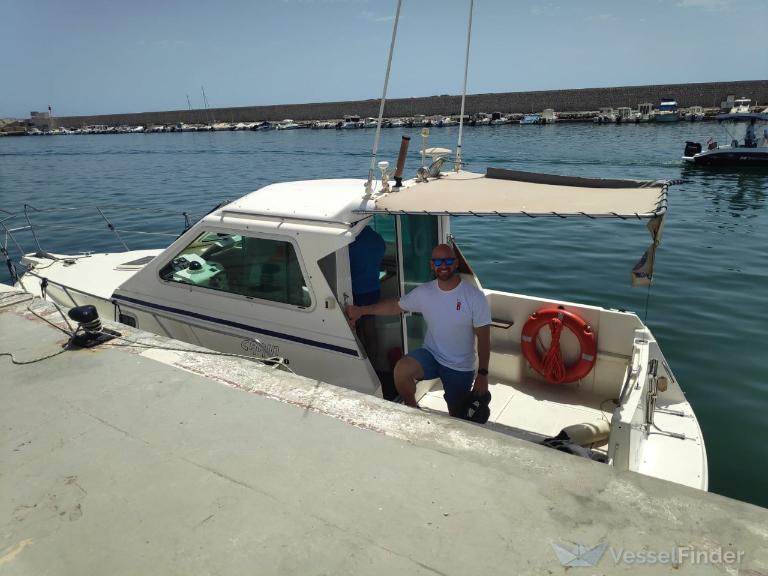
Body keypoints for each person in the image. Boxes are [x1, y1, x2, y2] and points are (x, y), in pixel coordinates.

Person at [346, 243, 491, 414]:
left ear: (456, 263)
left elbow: (484, 338)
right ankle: (413, 410)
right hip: (432, 354)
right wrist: (361, 311)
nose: (443, 265)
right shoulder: (425, 292)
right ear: (431, 265)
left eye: (448, 260)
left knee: (457, 416)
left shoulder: (474, 297)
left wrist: (482, 375)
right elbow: (395, 306)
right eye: (437, 262)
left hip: (460, 366)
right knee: (401, 370)